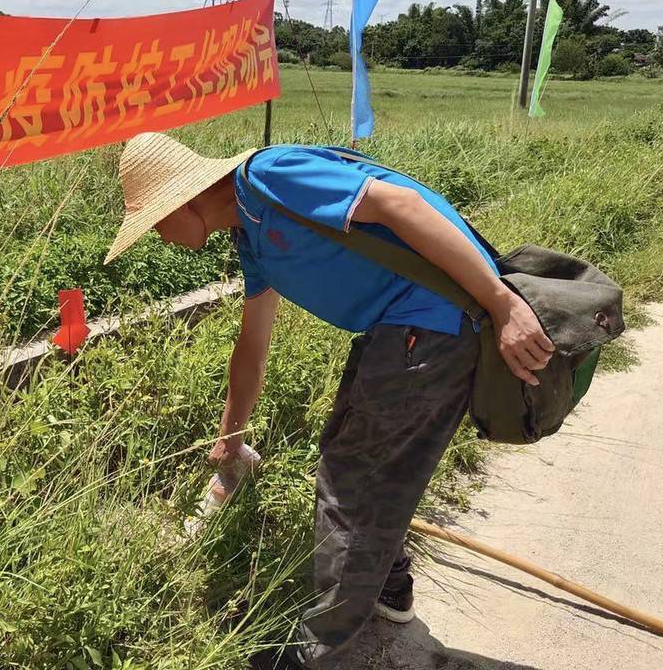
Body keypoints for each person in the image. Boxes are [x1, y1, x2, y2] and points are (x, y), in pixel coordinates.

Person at [103, 133, 555, 668]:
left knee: (353, 483)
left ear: (185, 200)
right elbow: (252, 344)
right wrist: (232, 436)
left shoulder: (269, 176)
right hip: (396, 329)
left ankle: (317, 649)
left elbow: (401, 204)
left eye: (155, 222)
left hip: (429, 326)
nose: (158, 235)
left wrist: (501, 303)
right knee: (354, 454)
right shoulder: (251, 235)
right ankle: (388, 588)